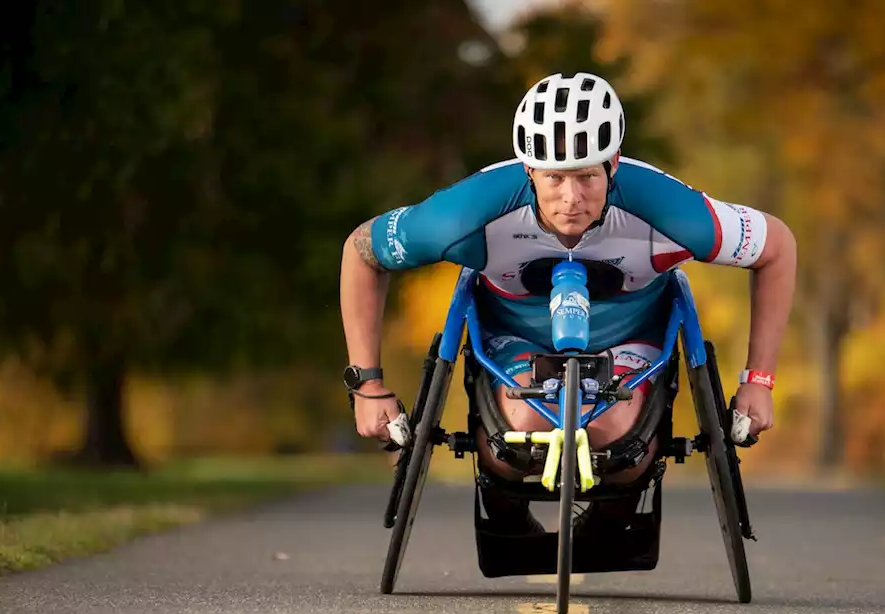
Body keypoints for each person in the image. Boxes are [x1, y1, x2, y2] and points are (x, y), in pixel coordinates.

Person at [340, 71, 796, 535]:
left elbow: (777, 247)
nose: (571, 199)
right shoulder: (464, 217)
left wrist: (758, 381)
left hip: (629, 336)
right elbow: (361, 251)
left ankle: (614, 516)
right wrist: (367, 387)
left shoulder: (673, 214)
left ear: (614, 164)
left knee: (616, 441)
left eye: (588, 177)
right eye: (554, 178)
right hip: (517, 335)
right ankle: (505, 510)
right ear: (528, 170)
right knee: (519, 432)